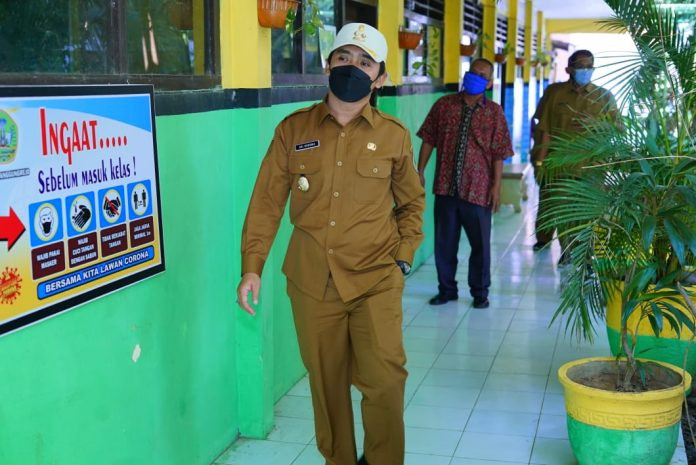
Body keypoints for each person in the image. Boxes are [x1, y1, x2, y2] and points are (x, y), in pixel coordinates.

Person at [236, 23, 425, 465]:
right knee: (326, 384)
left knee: (384, 381)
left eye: (364, 63)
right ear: (328, 65)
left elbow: (412, 205)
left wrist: (402, 260)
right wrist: (252, 265)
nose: (352, 68)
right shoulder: (292, 130)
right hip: (311, 282)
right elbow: (266, 202)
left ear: (379, 77)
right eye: (343, 58)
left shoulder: (395, 135)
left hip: (376, 278)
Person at [416, 58, 513, 309]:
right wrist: (420, 169)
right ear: (466, 74)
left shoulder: (494, 112)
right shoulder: (444, 105)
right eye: (473, 72)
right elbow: (428, 138)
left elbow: (499, 152)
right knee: (444, 243)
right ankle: (446, 290)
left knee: (480, 245)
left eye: (483, 75)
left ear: (489, 82)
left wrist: (496, 187)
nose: (476, 77)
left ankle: (480, 293)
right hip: (446, 187)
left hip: (478, 190)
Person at [531, 50, 617, 259]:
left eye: (590, 66)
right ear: (569, 69)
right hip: (558, 164)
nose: (585, 70)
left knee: (582, 211)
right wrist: (540, 161)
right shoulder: (555, 93)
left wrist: (596, 126)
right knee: (555, 205)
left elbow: (617, 130)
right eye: (581, 66)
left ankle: (575, 252)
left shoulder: (604, 96)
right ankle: (547, 240)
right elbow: (543, 129)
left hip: (590, 166)